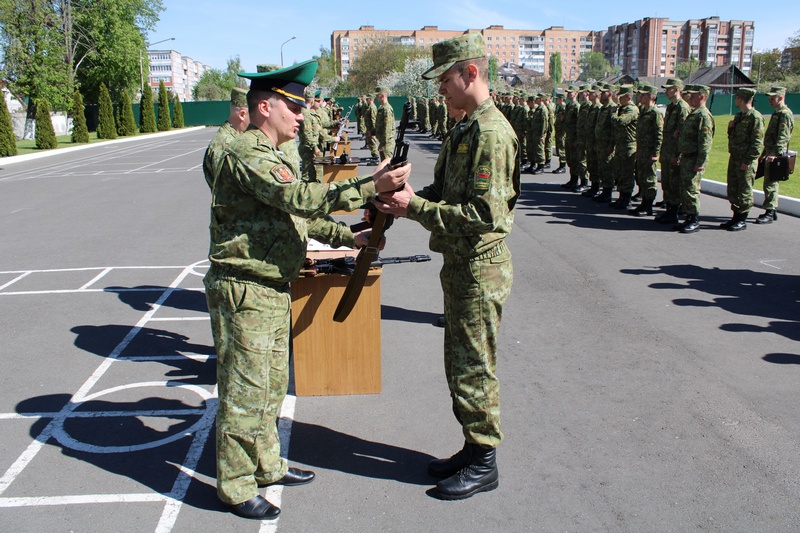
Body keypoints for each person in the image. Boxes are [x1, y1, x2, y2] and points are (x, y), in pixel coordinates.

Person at [204, 59, 411, 520]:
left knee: (271, 387)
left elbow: (299, 217)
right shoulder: (246, 153)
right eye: (292, 107)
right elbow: (299, 198)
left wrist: (350, 238)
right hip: (246, 289)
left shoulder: (274, 153)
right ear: (263, 108)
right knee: (245, 392)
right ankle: (235, 486)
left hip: (272, 285)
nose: (301, 116)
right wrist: (367, 187)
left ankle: (266, 464)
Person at [375, 32, 519, 501]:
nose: (440, 91)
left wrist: (415, 208)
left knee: (474, 366)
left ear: (470, 73)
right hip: (460, 265)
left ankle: (484, 461)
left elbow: (484, 217)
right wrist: (403, 198)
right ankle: (471, 446)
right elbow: (445, 196)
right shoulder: (466, 126)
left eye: (445, 80)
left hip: (479, 267)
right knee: (459, 364)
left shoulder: (491, 133)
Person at [721, 87, 764, 231]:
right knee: (733, 188)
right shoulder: (739, 116)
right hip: (735, 157)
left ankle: (742, 219)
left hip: (745, 161)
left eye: (737, 97)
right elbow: (733, 137)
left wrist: (748, 161)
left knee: (745, 190)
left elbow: (757, 143)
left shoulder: (755, 117)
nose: (735, 100)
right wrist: (730, 128)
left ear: (741, 99)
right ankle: (735, 216)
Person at [673, 85, 714, 234]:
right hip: (687, 157)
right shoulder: (694, 113)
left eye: (693, 95)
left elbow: (705, 142)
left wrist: (701, 162)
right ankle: (688, 218)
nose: (689, 97)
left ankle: (694, 220)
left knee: (692, 189)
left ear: (702, 96)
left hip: (694, 158)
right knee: (685, 188)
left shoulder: (703, 115)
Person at [756, 86, 794, 224]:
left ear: (781, 97)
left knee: (771, 183)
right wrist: (764, 153)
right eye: (769, 98)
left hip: (775, 155)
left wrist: (775, 154)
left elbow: (783, 137)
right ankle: (772, 210)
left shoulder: (784, 114)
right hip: (770, 153)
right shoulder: (777, 113)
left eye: (773, 98)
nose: (770, 100)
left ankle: (770, 212)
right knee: (769, 182)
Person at [656, 78, 691, 224]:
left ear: (676, 89)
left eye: (668, 88)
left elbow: (682, 134)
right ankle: (669, 210)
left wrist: (677, 154)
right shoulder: (671, 107)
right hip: (667, 150)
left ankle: (674, 212)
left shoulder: (682, 107)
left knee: (675, 183)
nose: (666, 91)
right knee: (667, 183)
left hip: (674, 152)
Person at [202, 87, 249, 189]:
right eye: (254, 115)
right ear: (242, 115)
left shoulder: (235, 137)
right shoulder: (225, 145)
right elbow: (229, 190)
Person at [629, 83, 663, 216]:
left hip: (650, 152)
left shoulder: (655, 113)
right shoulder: (643, 111)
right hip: (642, 150)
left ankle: (648, 205)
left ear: (650, 96)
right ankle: (644, 202)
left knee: (649, 178)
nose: (639, 96)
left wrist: (655, 153)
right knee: (642, 176)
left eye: (642, 95)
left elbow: (659, 133)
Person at [610, 85, 639, 209]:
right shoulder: (622, 109)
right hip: (621, 145)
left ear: (629, 97)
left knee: (627, 173)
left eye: (621, 97)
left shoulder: (631, 110)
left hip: (628, 146)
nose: (619, 99)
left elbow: (621, 122)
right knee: (620, 172)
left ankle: (626, 199)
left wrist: (613, 114)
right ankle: (621, 197)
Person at [374, 87, 396, 160]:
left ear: (382, 96)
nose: (376, 97)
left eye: (377, 95)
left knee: (388, 167)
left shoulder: (387, 109)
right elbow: (380, 125)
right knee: (384, 168)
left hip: (387, 144)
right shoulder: (382, 107)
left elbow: (388, 128)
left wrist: (383, 144)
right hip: (384, 142)